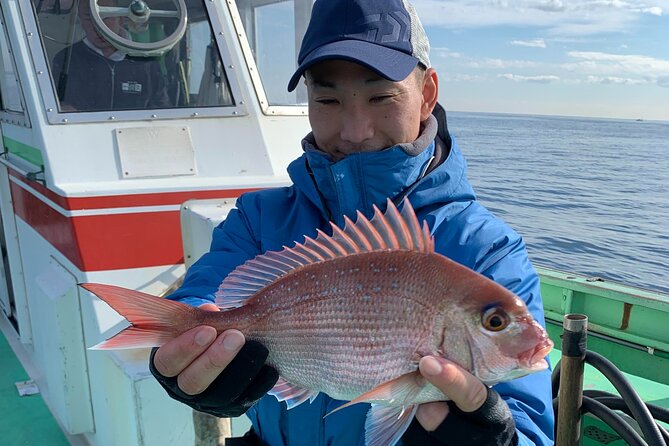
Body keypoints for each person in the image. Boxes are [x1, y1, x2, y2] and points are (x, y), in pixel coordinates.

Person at [149, 0, 555, 445]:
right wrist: (185, 353)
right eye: (328, 99)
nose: (355, 130)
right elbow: (207, 296)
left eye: (381, 96)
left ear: (427, 94)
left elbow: (530, 425)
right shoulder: (257, 218)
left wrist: (496, 436)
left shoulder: (488, 250)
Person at [49, 0, 169, 111]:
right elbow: (55, 106)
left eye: (105, 17)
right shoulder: (67, 59)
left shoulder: (145, 63)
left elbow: (161, 110)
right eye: (88, 18)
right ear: (80, 21)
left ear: (121, 19)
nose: (98, 27)